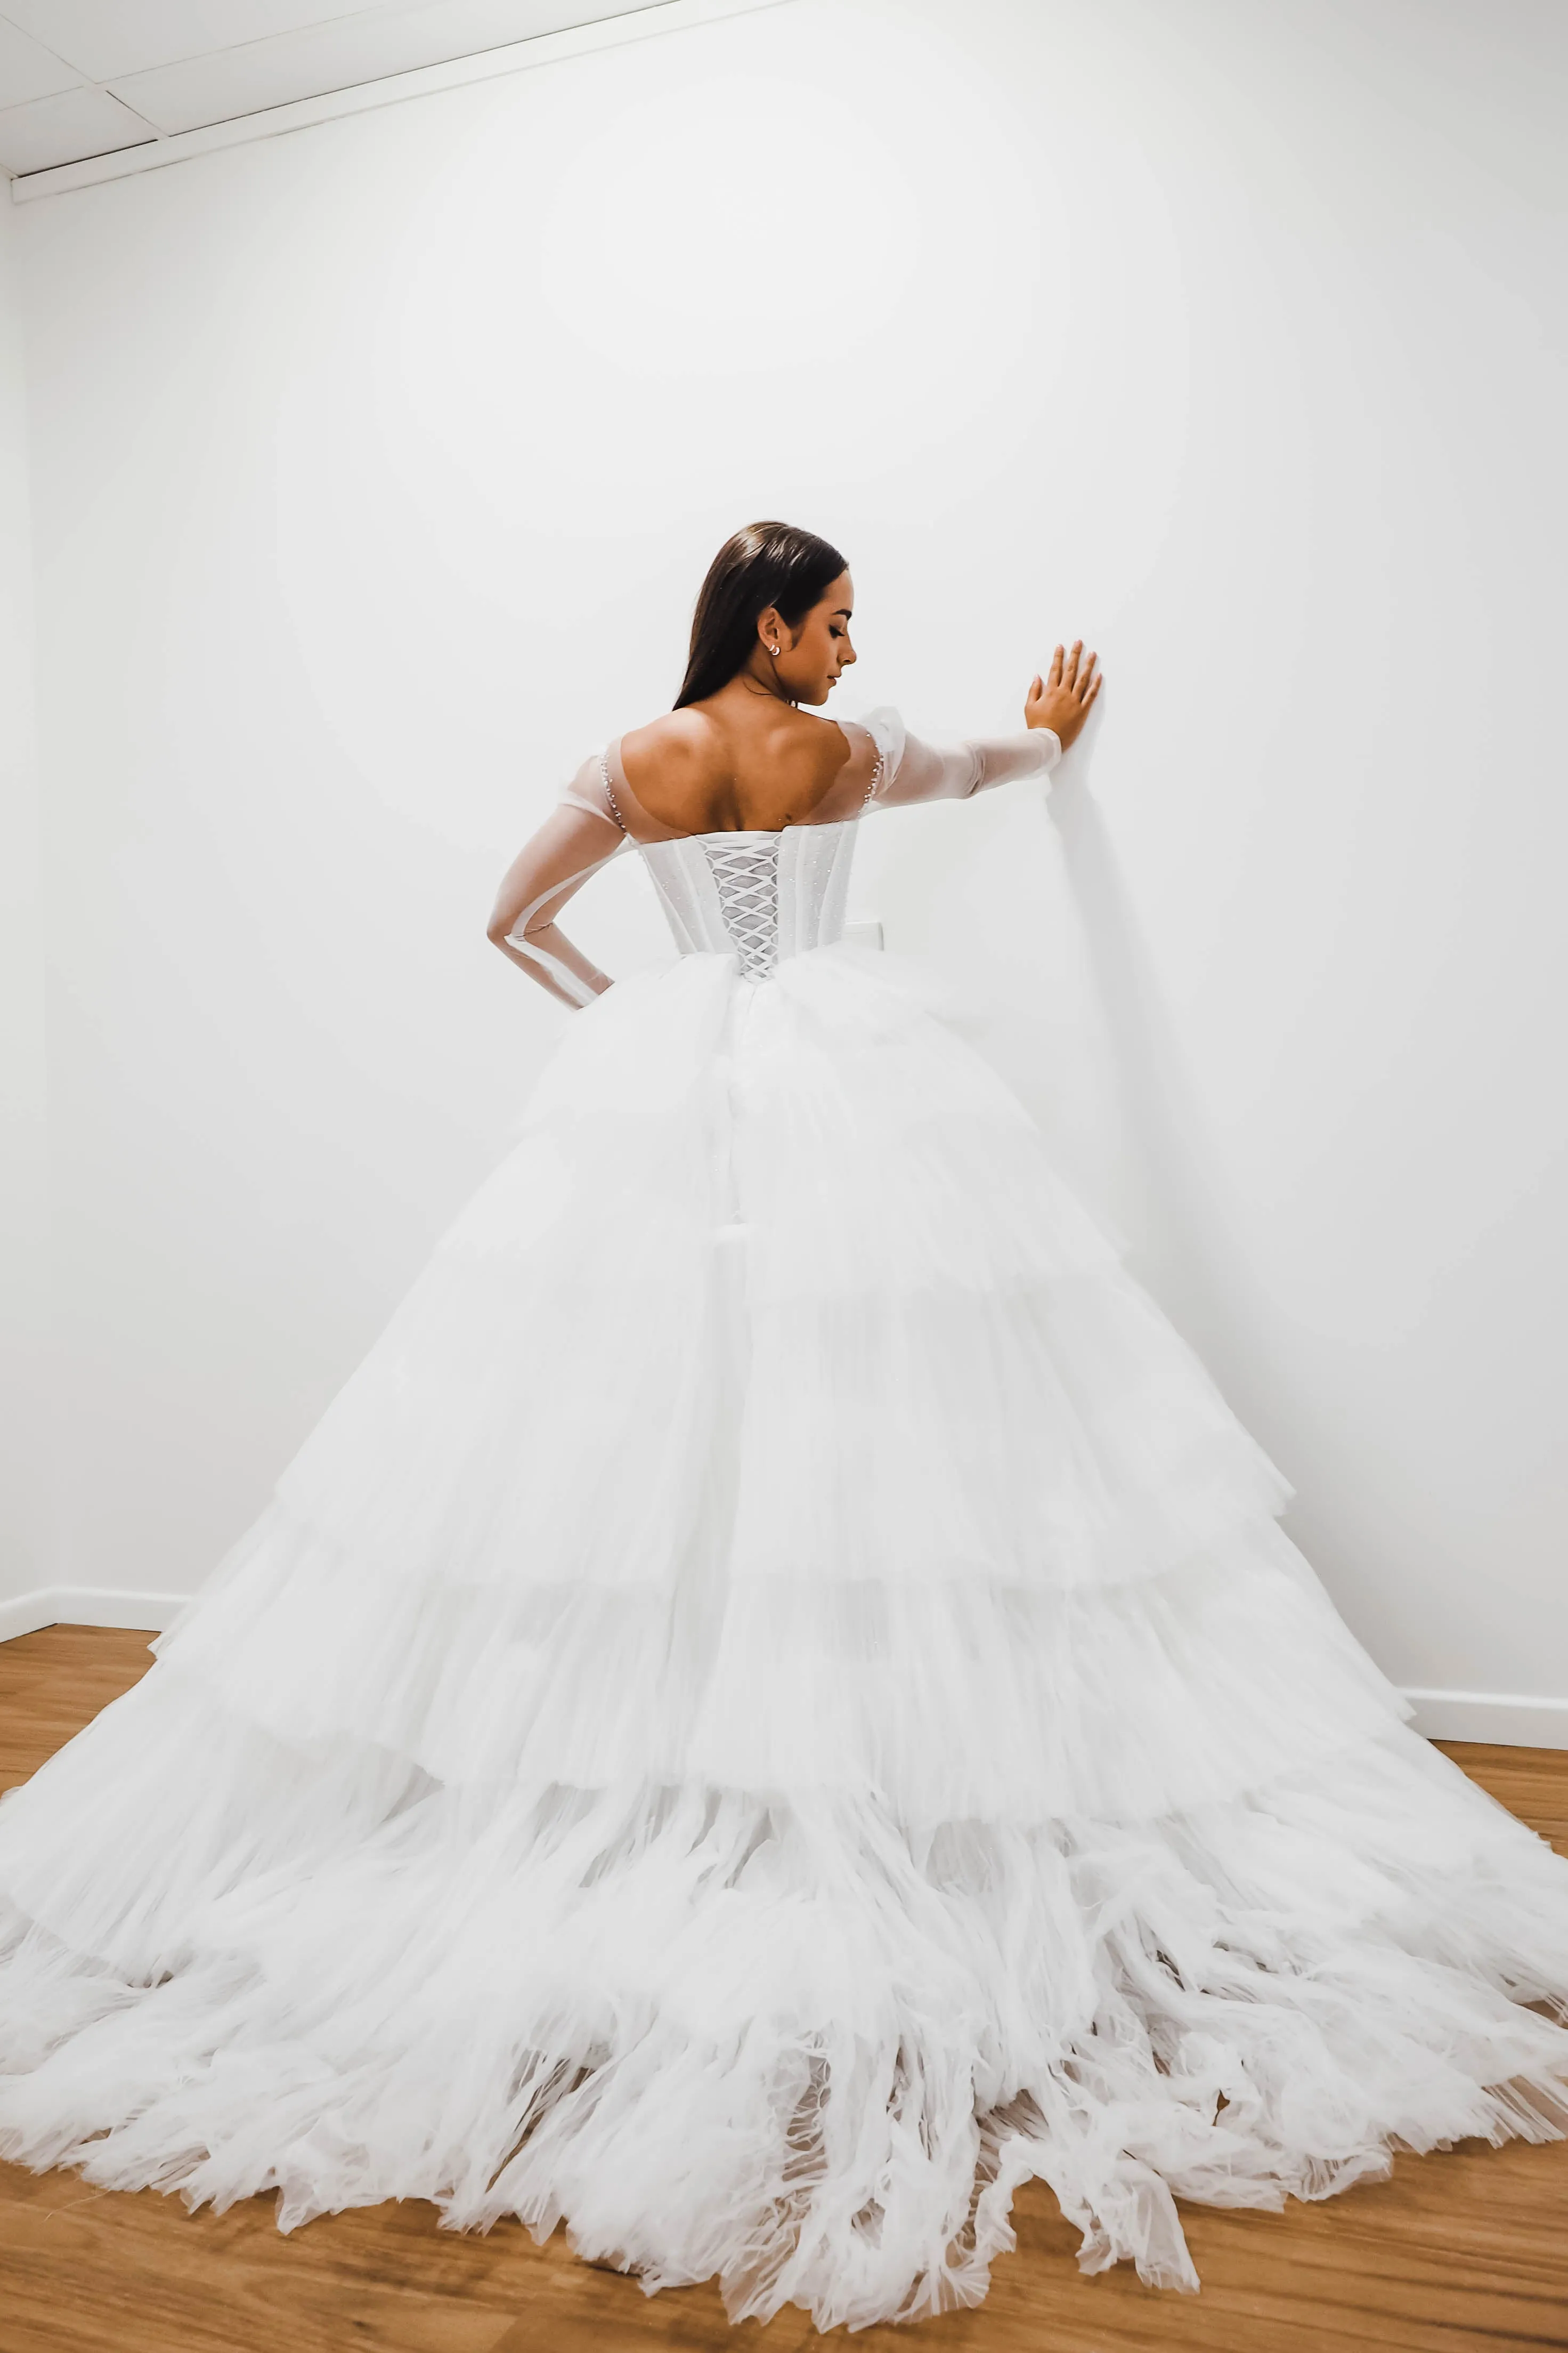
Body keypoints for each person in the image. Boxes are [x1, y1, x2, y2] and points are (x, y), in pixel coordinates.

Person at [2, 522, 1565, 2336]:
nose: (842, 645)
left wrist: (639, 1017)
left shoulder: (638, 762)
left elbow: (510, 919)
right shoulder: (837, 750)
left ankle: (671, 1747)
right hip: (846, 1091)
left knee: (621, 1439)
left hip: (670, 1111)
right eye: (830, 618)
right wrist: (1046, 739)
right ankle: (850, 1747)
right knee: (887, 1418)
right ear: (771, 623)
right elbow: (975, 761)